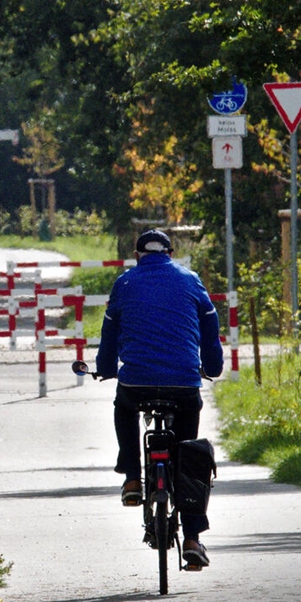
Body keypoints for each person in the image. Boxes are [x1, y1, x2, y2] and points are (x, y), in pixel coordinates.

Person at [96, 228, 225, 568]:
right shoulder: (191, 280)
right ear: (170, 253)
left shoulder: (125, 283)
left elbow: (109, 334)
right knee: (188, 454)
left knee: (123, 407)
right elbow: (210, 331)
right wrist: (212, 367)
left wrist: (105, 368)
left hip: (136, 382)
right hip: (183, 385)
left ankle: (133, 478)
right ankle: (194, 538)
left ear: (137, 255)